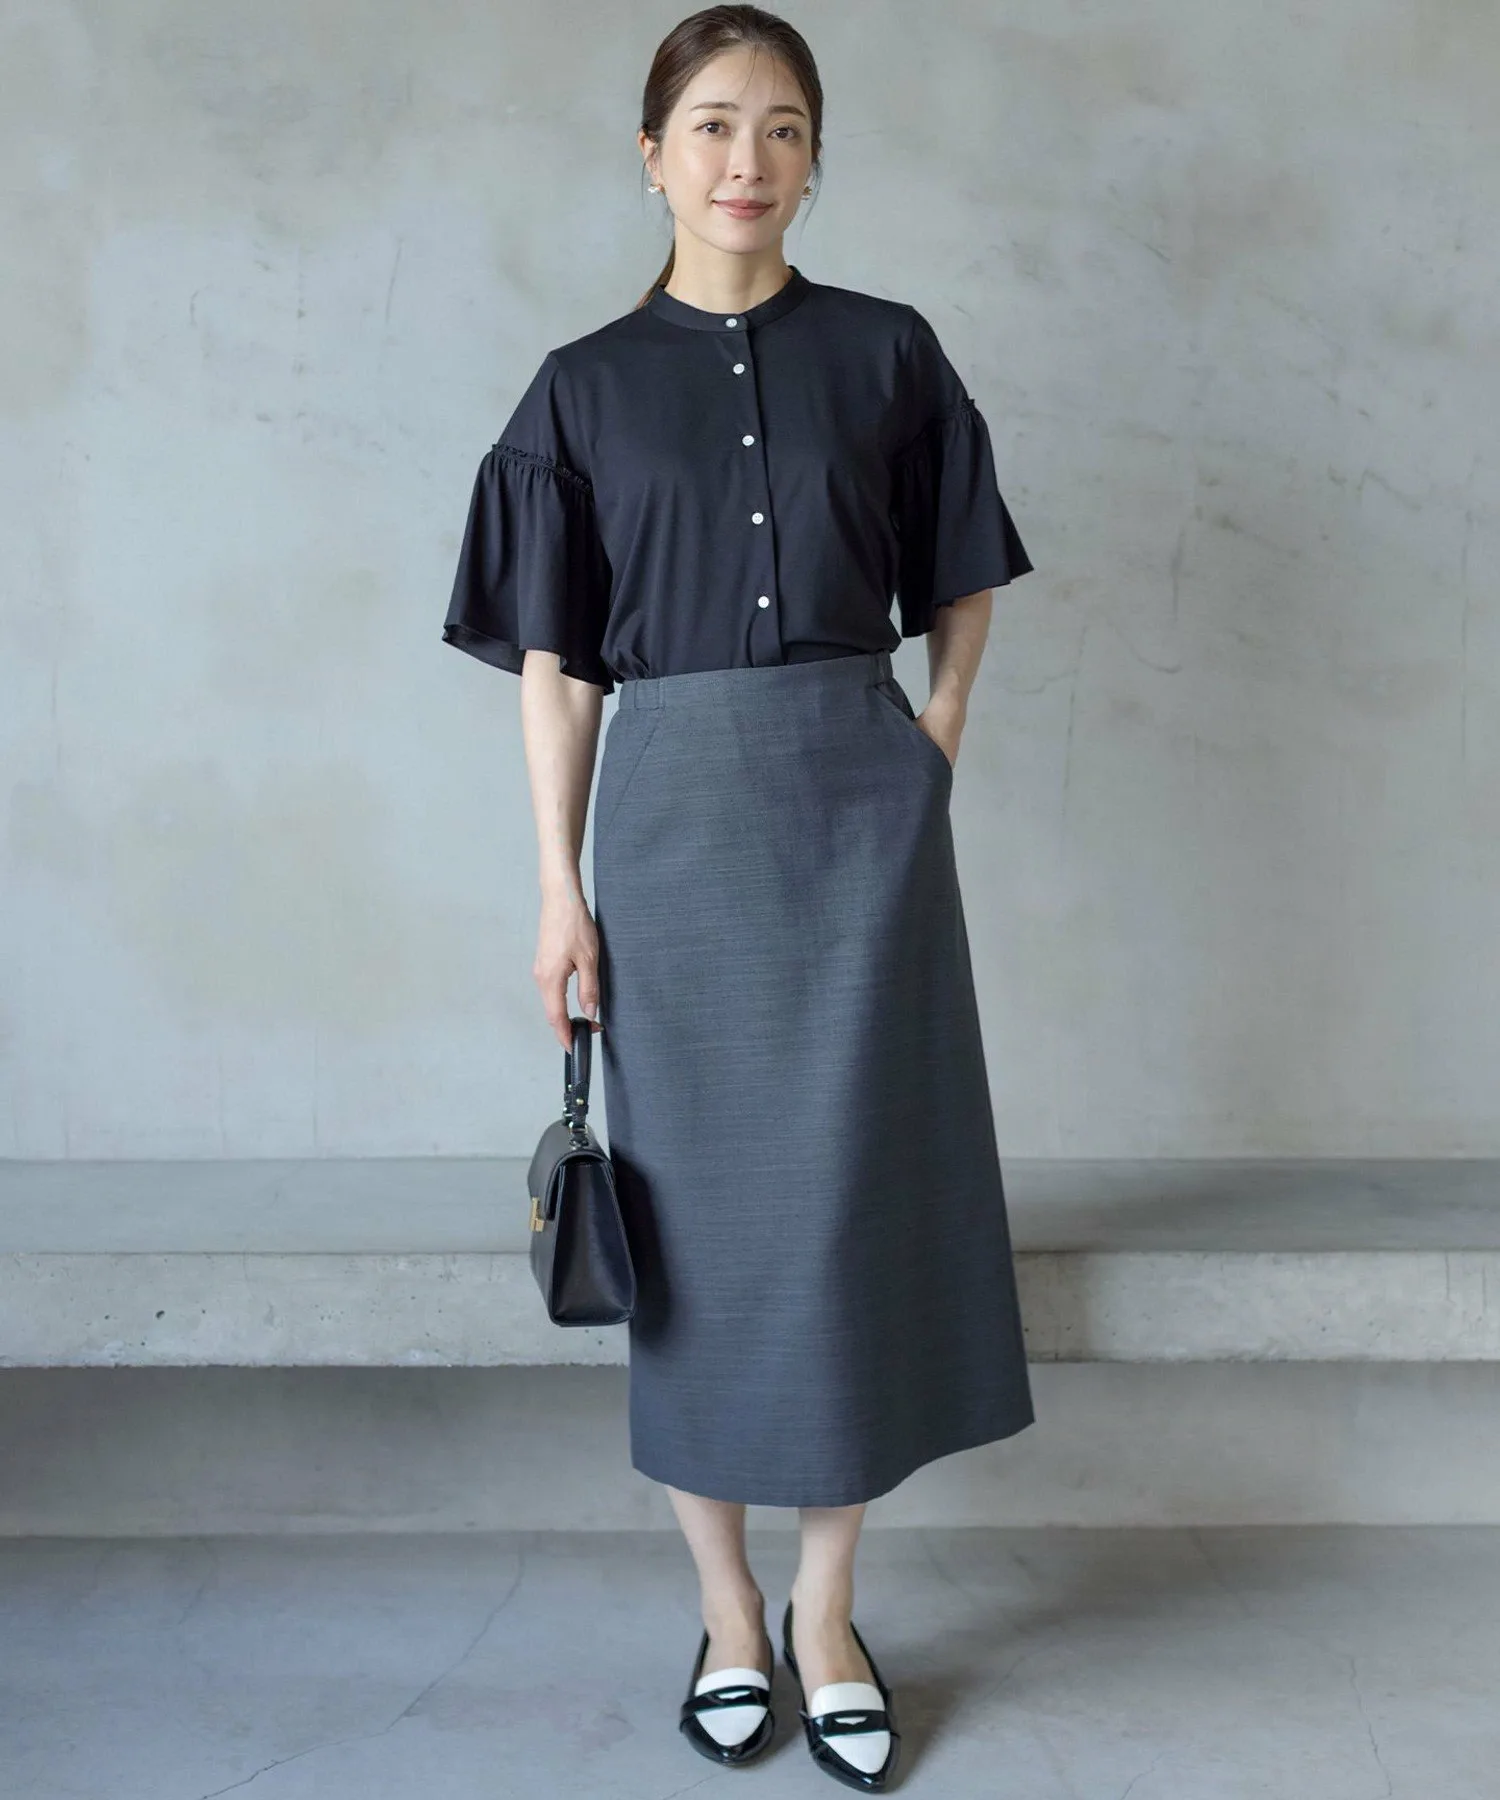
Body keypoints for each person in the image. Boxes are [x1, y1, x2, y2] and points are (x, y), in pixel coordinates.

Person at [443, 6, 1036, 1788]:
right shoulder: (580, 389)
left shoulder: (888, 352)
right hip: (674, 827)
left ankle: (828, 1607)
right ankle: (724, 1614)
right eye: (710, 125)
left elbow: (962, 570)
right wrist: (558, 892)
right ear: (652, 156)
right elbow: (558, 672)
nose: (745, 159)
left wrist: (931, 739)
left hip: (862, 810)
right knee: (695, 1231)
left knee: (850, 1206)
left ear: (814, 158)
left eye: (782, 127)